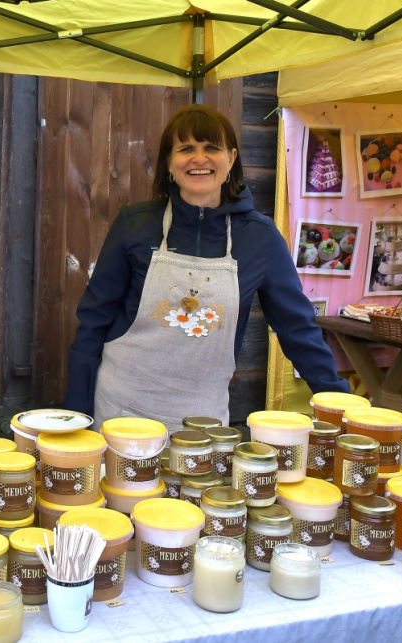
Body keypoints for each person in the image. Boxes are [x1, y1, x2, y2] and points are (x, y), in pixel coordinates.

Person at [63, 104, 348, 431]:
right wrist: (77, 414)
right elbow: (94, 321)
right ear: (170, 162)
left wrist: (341, 408)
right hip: (121, 413)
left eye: (211, 148)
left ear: (231, 158)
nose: (199, 159)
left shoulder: (260, 237)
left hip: (204, 425)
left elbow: (298, 330)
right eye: (186, 149)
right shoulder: (135, 225)